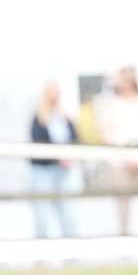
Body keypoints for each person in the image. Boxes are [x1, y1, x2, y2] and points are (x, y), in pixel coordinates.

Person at [99, 65, 138, 236]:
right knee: (122, 211)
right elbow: (108, 134)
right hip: (120, 164)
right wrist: (126, 157)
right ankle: (123, 252)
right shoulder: (110, 104)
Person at [29, 80, 79, 238]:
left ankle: (71, 256)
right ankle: (40, 257)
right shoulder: (38, 118)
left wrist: (70, 156)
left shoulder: (63, 116)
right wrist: (58, 157)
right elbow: (38, 141)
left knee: (67, 214)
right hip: (43, 172)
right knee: (41, 216)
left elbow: (74, 137)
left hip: (62, 172)